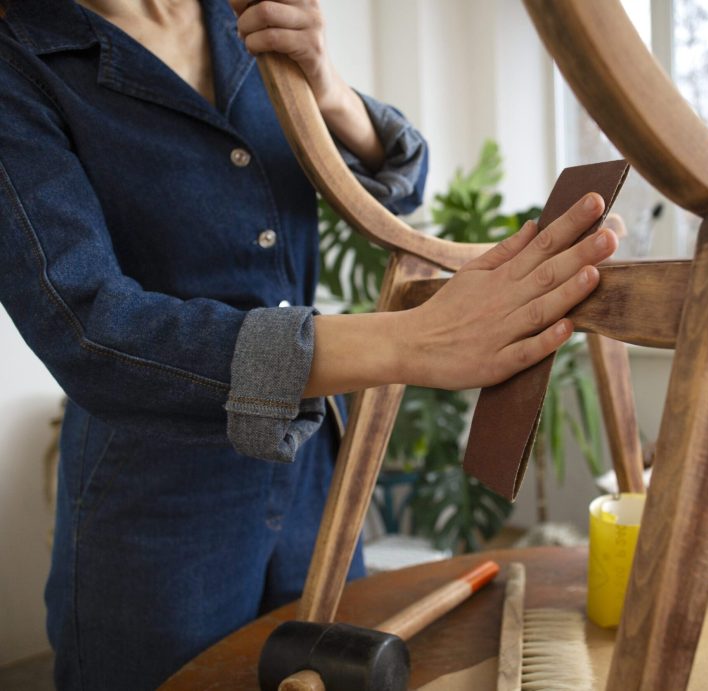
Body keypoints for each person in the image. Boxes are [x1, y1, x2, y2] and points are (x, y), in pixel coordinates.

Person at [0, 0, 617, 688]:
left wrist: (327, 88)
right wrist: (411, 341)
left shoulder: (243, 17)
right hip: (157, 502)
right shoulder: (18, 60)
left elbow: (400, 183)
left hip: (311, 480)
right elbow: (90, 331)